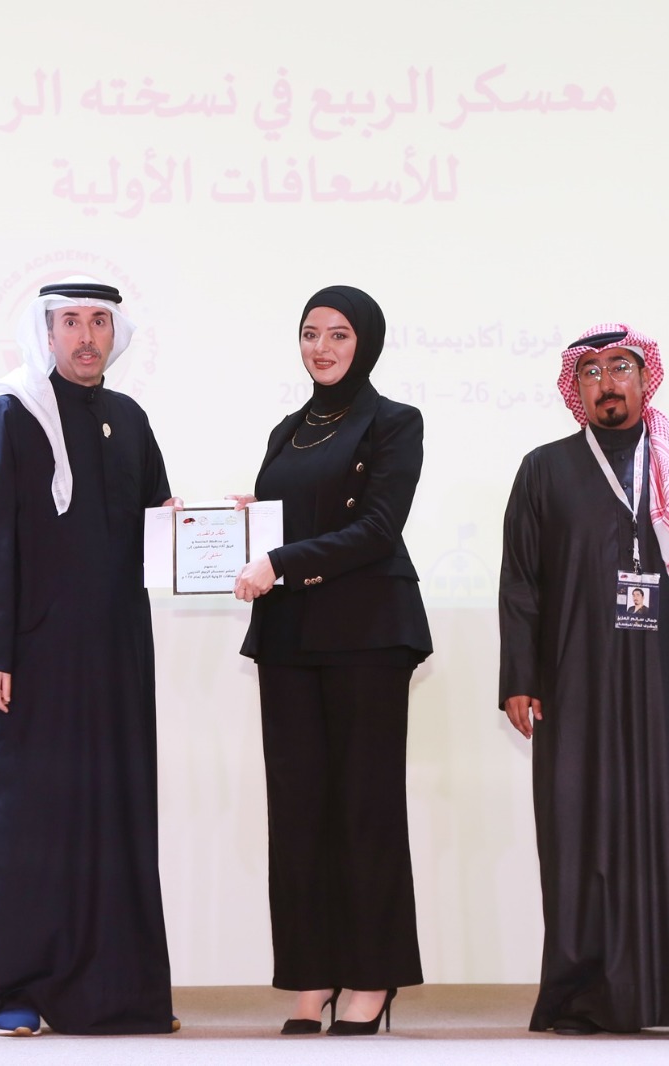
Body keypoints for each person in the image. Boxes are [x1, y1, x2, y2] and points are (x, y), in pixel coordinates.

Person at [499, 323, 669, 1038]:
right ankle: (588, 999)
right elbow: (521, 584)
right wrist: (520, 677)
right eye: (590, 372)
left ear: (647, 379)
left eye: (620, 367)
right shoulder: (544, 470)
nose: (607, 383)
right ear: (575, 388)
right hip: (577, 680)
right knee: (583, 831)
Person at [0, 276, 178, 1037]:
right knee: (33, 820)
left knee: (117, 818)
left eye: (99, 323)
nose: (87, 338)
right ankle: (14, 992)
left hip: (117, 656)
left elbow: (158, 526)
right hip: (36, 657)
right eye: (71, 323)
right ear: (46, 332)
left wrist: (221, 529)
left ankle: (116, 994)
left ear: (115, 333)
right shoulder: (12, 413)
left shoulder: (130, 418)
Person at [230, 285, 432, 1036]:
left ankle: (373, 979)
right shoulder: (288, 430)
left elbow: (378, 527)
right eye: (310, 333)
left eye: (339, 335)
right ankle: (311, 976)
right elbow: (290, 521)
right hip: (289, 637)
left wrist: (279, 561)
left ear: (365, 342)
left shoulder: (394, 422)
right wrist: (239, 529)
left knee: (364, 808)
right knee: (298, 812)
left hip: (368, 634)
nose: (322, 348)